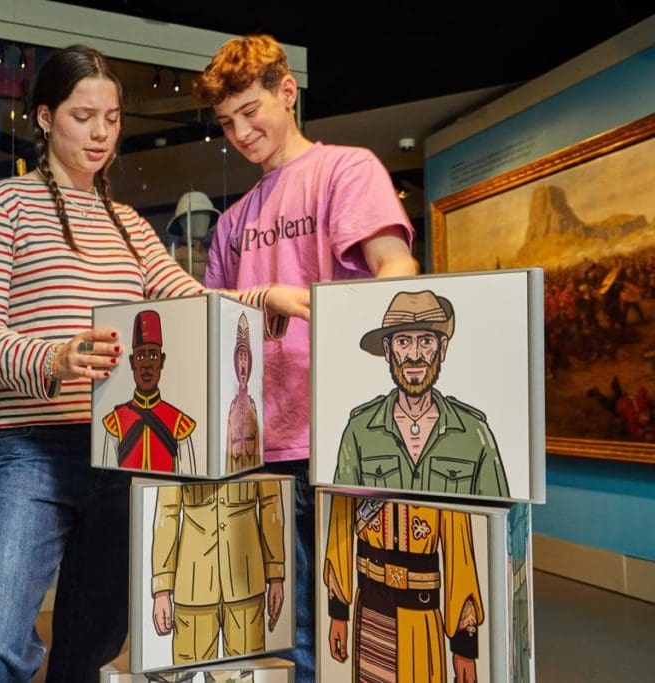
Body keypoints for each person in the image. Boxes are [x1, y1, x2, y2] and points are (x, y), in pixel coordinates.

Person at [0, 44, 310, 682]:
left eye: (111, 119)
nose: (100, 134)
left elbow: (192, 298)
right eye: (83, 116)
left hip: (122, 454)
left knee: (89, 650)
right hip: (33, 450)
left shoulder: (130, 227)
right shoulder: (2, 206)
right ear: (43, 117)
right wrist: (54, 357)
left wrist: (263, 297)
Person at [194, 34, 420, 681]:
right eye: (227, 121)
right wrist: (264, 294)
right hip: (263, 444)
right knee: (295, 633)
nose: (239, 132)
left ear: (286, 93)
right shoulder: (233, 220)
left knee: (364, 621)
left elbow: (396, 269)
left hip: (347, 438)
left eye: (250, 111)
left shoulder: (346, 170)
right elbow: (209, 314)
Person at [335, 290, 510, 497]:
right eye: (403, 342)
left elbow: (496, 520)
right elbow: (342, 516)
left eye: (426, 341)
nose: (415, 355)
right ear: (388, 350)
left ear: (442, 349)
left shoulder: (475, 432)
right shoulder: (359, 430)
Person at [323, 496, 484, 683]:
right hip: (370, 612)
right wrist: (338, 611)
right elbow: (340, 511)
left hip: (419, 616)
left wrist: (464, 646)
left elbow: (459, 548)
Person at [152, 479, 285, 664]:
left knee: (245, 674)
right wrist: (162, 588)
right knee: (187, 675)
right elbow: (167, 511)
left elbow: (271, 503)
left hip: (246, 584)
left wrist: (275, 573)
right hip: (193, 586)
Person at [101, 309, 197, 474]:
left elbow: (189, 483)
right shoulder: (115, 422)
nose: (146, 364)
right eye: (140, 356)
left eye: (153, 356)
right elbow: (108, 478)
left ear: (162, 360)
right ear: (131, 362)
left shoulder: (179, 424)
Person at [225, 312, 259, 473]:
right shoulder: (231, 408)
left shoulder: (253, 406)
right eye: (240, 356)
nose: (243, 361)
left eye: (246, 356)